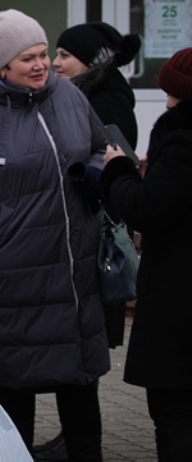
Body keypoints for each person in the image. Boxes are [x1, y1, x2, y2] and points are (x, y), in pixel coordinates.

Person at [0, 10, 108, 460]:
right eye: (27, 57)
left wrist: (94, 172)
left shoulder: (68, 96)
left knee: (81, 394)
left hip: (72, 277)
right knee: (15, 398)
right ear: (0, 66)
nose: (40, 64)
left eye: (44, 53)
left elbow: (102, 147)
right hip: (11, 281)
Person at [30, 22, 143, 460]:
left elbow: (109, 163)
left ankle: (77, 443)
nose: (54, 64)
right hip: (82, 234)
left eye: (63, 55)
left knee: (85, 348)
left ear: (92, 60)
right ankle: (71, 438)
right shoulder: (82, 95)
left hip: (95, 240)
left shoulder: (107, 101)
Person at [99, 47, 192, 461]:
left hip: (180, 301)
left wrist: (118, 170)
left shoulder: (183, 137)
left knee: (174, 412)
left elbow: (146, 209)